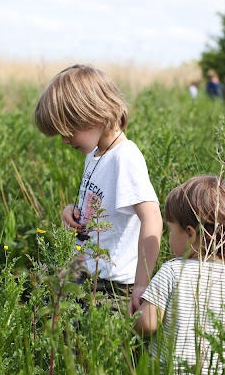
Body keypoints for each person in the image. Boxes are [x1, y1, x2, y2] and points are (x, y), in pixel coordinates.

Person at [33, 64, 163, 315]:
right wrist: (73, 211)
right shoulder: (95, 155)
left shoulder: (125, 157)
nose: (64, 140)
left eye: (68, 130)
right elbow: (101, 206)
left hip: (113, 289)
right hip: (86, 275)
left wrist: (142, 283)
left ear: (93, 115)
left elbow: (152, 217)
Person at [134, 175, 225, 375]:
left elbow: (148, 323)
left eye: (170, 229)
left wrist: (131, 323)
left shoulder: (173, 271)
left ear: (190, 234)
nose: (168, 238)